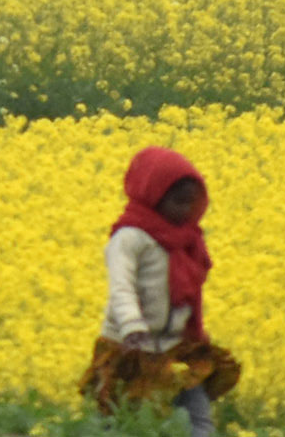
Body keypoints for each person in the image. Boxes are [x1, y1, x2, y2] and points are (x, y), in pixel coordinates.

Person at [79, 147, 241, 437]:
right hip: (129, 349)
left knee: (197, 415)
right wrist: (132, 325)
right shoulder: (129, 238)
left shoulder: (188, 239)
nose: (185, 210)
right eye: (179, 202)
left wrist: (191, 332)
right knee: (118, 420)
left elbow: (186, 293)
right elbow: (122, 286)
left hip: (175, 349)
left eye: (191, 203)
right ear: (153, 195)